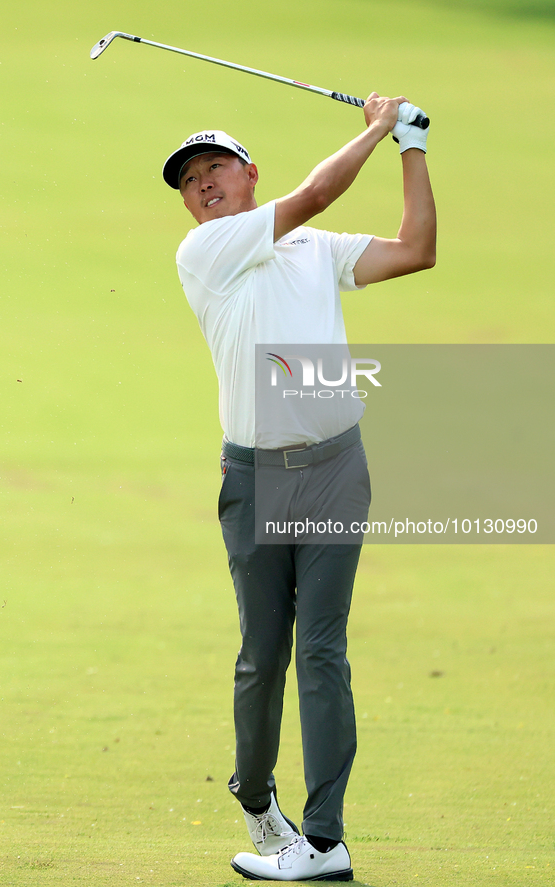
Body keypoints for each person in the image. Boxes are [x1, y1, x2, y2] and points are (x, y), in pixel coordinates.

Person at [162, 93, 436, 882]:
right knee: (262, 653)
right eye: (189, 180)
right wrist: (380, 126)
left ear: (249, 173)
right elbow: (313, 192)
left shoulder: (314, 249)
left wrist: (409, 148)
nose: (204, 184)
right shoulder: (205, 252)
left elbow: (415, 248)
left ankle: (322, 838)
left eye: (216, 167)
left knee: (322, 650)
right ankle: (255, 795)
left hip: (335, 468)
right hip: (253, 476)